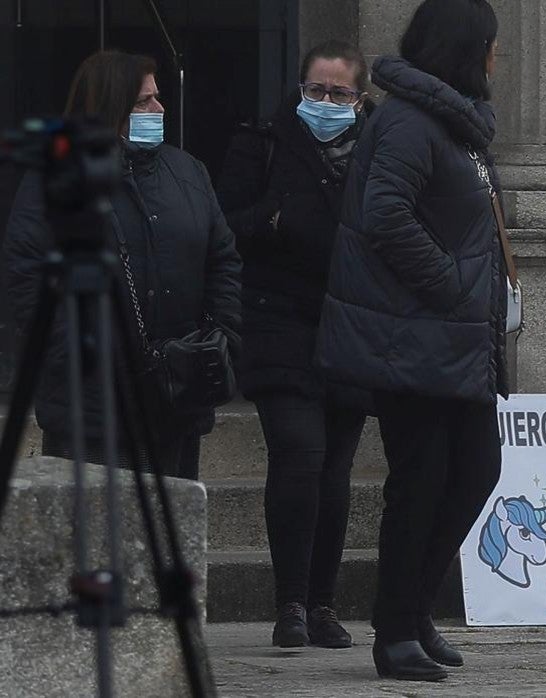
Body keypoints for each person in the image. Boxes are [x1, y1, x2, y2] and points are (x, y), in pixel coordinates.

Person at [316, 0, 507, 682]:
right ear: (463, 48)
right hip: (412, 338)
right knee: (421, 483)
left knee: (476, 469)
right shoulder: (406, 122)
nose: (496, 57)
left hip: (457, 341)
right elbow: (385, 217)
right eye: (490, 44)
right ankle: (394, 630)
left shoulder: (458, 127)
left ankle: (415, 609)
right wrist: (454, 284)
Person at [4, 51, 241, 480]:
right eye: (143, 102)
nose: (159, 109)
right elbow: (29, 277)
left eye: (157, 97)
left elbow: (222, 258)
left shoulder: (187, 172)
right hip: (91, 409)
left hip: (175, 397)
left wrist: (218, 335)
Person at [215, 41, 373, 650]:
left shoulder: (378, 151)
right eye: (316, 90)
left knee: (335, 468)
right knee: (299, 457)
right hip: (278, 321)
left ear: (361, 100)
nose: (325, 103)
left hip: (350, 325)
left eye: (339, 94)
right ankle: (291, 604)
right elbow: (224, 225)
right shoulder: (263, 142)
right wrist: (276, 218)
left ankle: (324, 603)